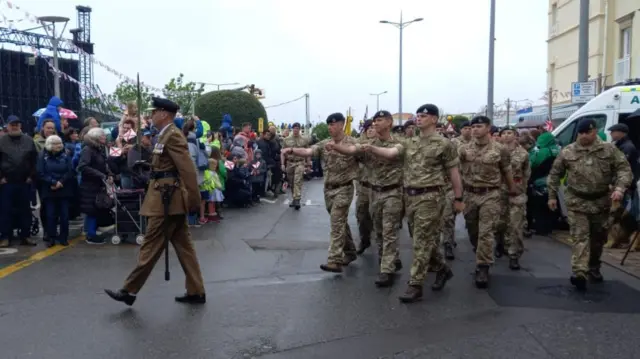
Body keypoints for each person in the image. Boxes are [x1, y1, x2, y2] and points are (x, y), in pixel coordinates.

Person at [105, 97, 206, 305]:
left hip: (167, 200)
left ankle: (129, 290)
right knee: (185, 247)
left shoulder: (172, 136)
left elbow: (186, 169)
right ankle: (196, 290)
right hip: (165, 197)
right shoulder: (164, 135)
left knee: (150, 245)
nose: (151, 116)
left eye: (154, 112)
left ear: (164, 114)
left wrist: (194, 200)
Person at [547, 118, 632, 290]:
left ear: (595, 131)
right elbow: (555, 174)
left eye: (588, 132)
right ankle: (580, 272)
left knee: (597, 239)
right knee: (580, 237)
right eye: (581, 132)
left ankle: (593, 267)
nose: (584, 136)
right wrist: (552, 196)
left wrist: (620, 189)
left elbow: (624, 169)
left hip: (601, 202)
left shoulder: (609, 150)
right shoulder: (568, 151)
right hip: (577, 201)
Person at [283, 113, 358, 273]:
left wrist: (337, 147)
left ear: (342, 124)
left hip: (344, 188)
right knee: (339, 222)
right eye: (329, 125)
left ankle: (334, 260)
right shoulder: (325, 143)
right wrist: (291, 150)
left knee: (337, 221)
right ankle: (350, 251)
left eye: (333, 124)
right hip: (328, 189)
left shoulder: (353, 142)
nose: (330, 127)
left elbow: (352, 151)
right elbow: (309, 151)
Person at [458, 115, 517, 288]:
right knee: (473, 230)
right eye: (473, 126)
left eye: (479, 126)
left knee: (486, 231)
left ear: (488, 128)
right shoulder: (463, 149)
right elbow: (456, 171)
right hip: (470, 194)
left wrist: (512, 188)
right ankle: (480, 251)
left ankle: (483, 266)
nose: (475, 129)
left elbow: (506, 170)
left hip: (490, 194)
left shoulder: (499, 149)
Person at [0, 115, 38, 247]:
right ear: (7, 126)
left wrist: (31, 176)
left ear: (20, 126)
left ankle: (25, 236)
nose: (15, 126)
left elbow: (34, 160)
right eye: (12, 124)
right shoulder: (1, 141)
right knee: (5, 210)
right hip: (7, 183)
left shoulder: (28, 140)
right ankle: (5, 237)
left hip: (24, 182)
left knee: (25, 211)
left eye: (17, 124)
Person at [281, 122, 310, 209]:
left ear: (299, 129)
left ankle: (297, 199)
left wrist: (308, 164)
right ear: (292, 129)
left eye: (297, 128)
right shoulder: (286, 140)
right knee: (292, 182)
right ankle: (294, 198)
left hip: (300, 162)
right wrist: (282, 163)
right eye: (294, 128)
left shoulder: (304, 140)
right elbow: (282, 152)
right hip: (290, 162)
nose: (296, 130)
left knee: (298, 180)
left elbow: (308, 152)